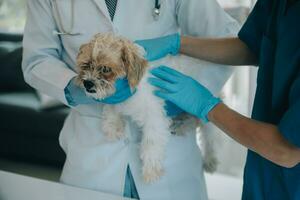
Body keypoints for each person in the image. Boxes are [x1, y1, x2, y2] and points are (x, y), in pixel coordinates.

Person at [22, 0, 240, 199]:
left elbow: (227, 37)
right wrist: (75, 88)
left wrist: (195, 94)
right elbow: (37, 60)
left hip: (172, 157)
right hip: (92, 154)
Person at [142, 0, 300, 199]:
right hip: (264, 177)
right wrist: (178, 43)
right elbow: (251, 46)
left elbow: (286, 150)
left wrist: (207, 106)